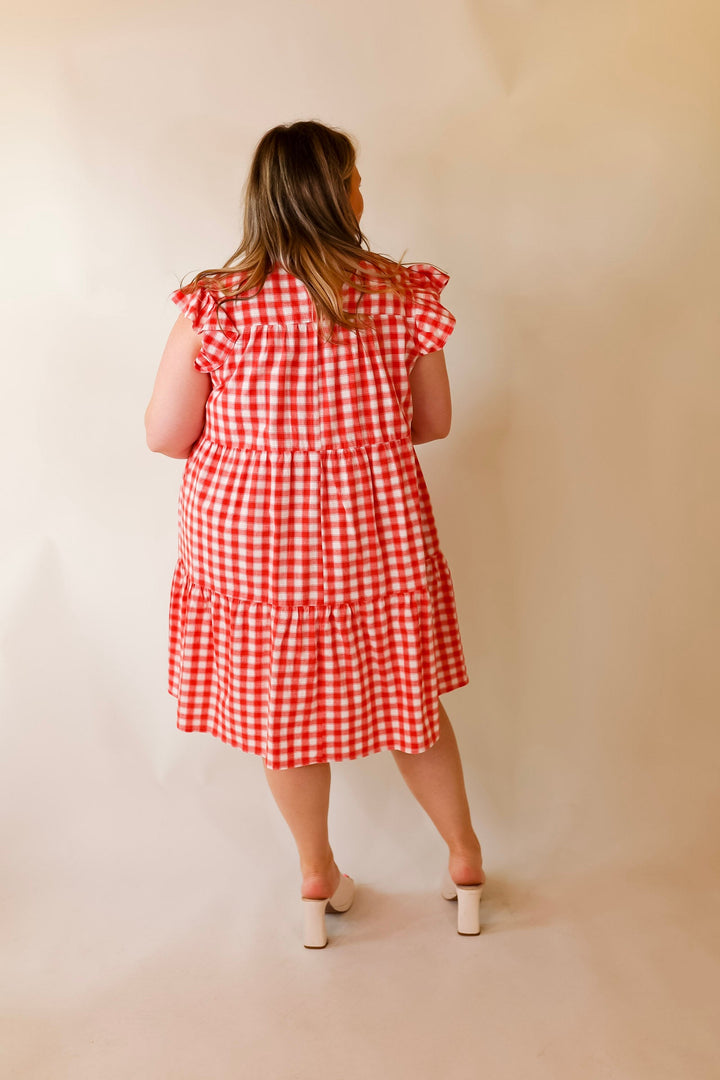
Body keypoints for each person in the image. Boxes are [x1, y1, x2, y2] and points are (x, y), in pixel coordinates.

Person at [144, 120, 485, 947]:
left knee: (281, 708)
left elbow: (163, 433)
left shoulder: (217, 305)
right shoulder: (401, 294)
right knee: (410, 698)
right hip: (376, 527)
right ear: (335, 193)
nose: (363, 188)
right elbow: (433, 423)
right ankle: (465, 859)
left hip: (253, 537)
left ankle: (315, 877)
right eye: (355, 176)